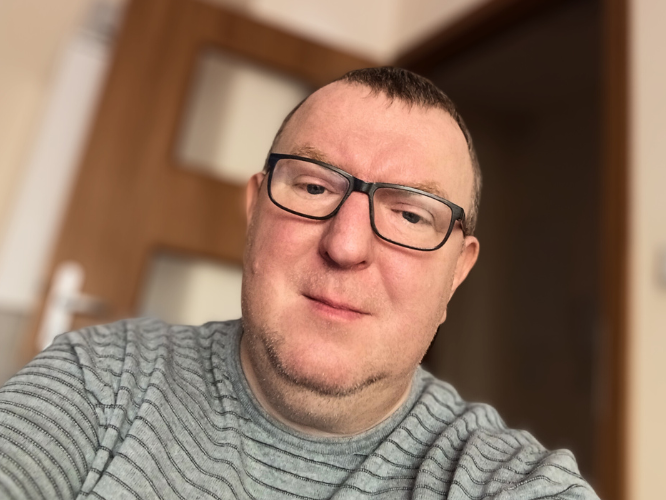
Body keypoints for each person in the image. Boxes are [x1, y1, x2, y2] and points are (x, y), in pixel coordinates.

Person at [0, 67, 598, 499]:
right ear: (255, 209)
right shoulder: (97, 380)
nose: (346, 245)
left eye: (410, 216)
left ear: (457, 271)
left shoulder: (507, 481)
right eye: (313, 187)